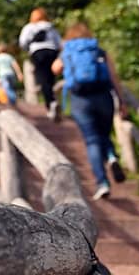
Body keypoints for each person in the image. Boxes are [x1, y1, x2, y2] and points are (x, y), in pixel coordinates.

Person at [52, 22, 128, 200]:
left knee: (92, 140)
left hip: (80, 100)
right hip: (103, 97)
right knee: (104, 133)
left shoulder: (67, 51)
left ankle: (102, 183)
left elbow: (55, 68)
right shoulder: (98, 50)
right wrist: (122, 101)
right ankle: (110, 156)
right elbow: (113, 77)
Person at [18, 8, 62, 120]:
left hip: (38, 53)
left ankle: (50, 103)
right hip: (52, 52)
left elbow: (22, 42)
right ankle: (53, 100)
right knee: (51, 79)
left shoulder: (29, 27)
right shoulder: (50, 26)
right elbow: (59, 43)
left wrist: (29, 49)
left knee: (42, 79)